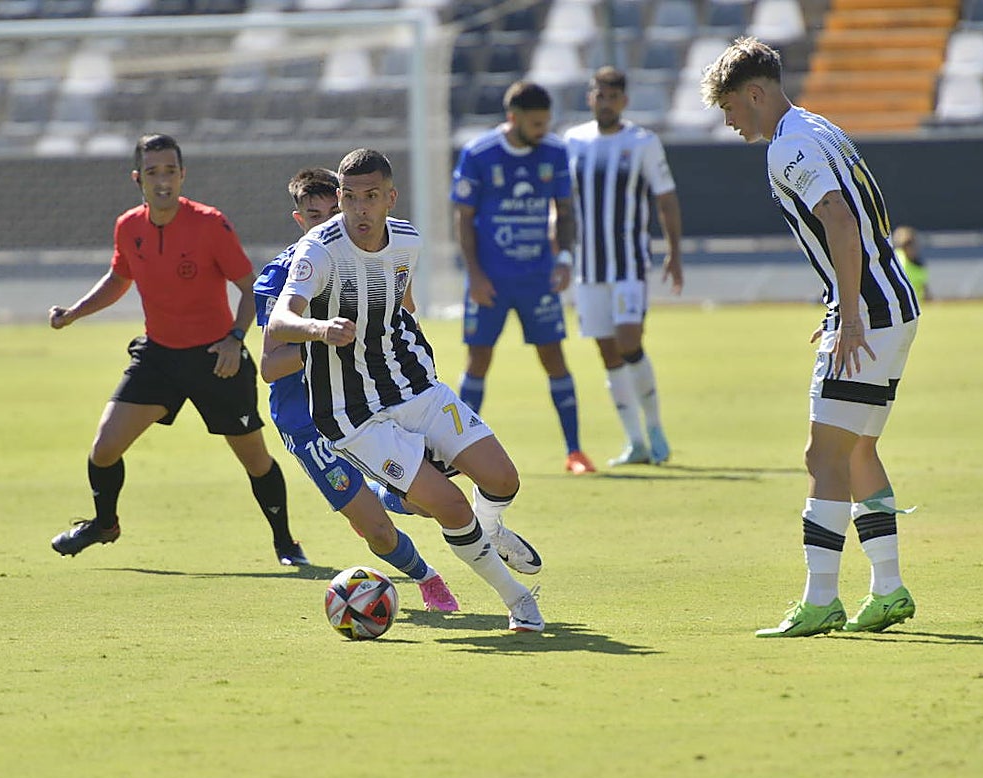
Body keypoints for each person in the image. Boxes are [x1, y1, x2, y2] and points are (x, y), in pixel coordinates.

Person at [266, 149, 545, 632]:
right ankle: (518, 600)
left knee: (503, 480)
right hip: (353, 413)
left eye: (371, 197)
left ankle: (491, 529)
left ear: (390, 198)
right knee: (450, 506)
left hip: (415, 387)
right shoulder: (319, 250)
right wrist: (320, 329)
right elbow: (280, 320)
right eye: (350, 198)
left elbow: (403, 305)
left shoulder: (407, 241)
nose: (360, 209)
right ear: (340, 198)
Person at [700, 37, 921, 637]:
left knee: (823, 457)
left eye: (729, 107)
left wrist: (848, 314)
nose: (728, 121)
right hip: (894, 305)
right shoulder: (819, 126)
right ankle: (888, 589)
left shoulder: (787, 146)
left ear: (754, 93)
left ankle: (821, 599)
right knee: (857, 451)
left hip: (868, 315)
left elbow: (841, 222)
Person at [47, 133, 306, 567]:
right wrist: (74, 313)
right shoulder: (128, 227)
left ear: (183, 175)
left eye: (170, 171)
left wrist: (235, 339)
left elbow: (250, 288)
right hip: (159, 357)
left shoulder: (210, 224)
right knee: (104, 448)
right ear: (138, 179)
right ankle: (104, 524)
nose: (162, 180)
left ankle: (286, 544)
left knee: (256, 460)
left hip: (217, 360)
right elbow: (119, 278)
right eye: (153, 172)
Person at [254, 166, 459, 612]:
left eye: (336, 211)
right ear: (300, 220)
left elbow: (405, 314)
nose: (329, 223)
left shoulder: (374, 254)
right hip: (308, 421)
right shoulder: (280, 277)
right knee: (377, 531)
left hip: (366, 403)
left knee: (428, 502)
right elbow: (269, 367)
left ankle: (392, 493)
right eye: (315, 216)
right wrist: (323, 338)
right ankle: (428, 579)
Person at [450, 81, 596, 475]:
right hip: (490, 280)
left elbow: (564, 211)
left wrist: (563, 258)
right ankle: (457, 453)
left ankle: (575, 451)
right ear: (512, 118)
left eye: (546, 123)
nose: (542, 130)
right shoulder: (479, 154)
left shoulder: (554, 152)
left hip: (537, 279)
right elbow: (463, 218)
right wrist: (474, 275)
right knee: (478, 359)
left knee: (554, 357)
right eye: (535, 123)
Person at [563, 67, 685, 466]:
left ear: (624, 101)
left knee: (629, 342)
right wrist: (558, 253)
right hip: (588, 267)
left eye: (613, 96)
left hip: (628, 264)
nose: (606, 102)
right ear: (590, 97)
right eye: (600, 95)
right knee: (607, 353)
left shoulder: (642, 142)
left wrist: (674, 252)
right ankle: (635, 442)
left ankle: (655, 428)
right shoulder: (573, 141)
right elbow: (561, 205)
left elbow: (666, 199)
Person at [893, 226, 931, 302]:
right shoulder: (896, 259)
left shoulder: (919, 266)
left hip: (916, 302)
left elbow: (924, 288)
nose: (913, 249)